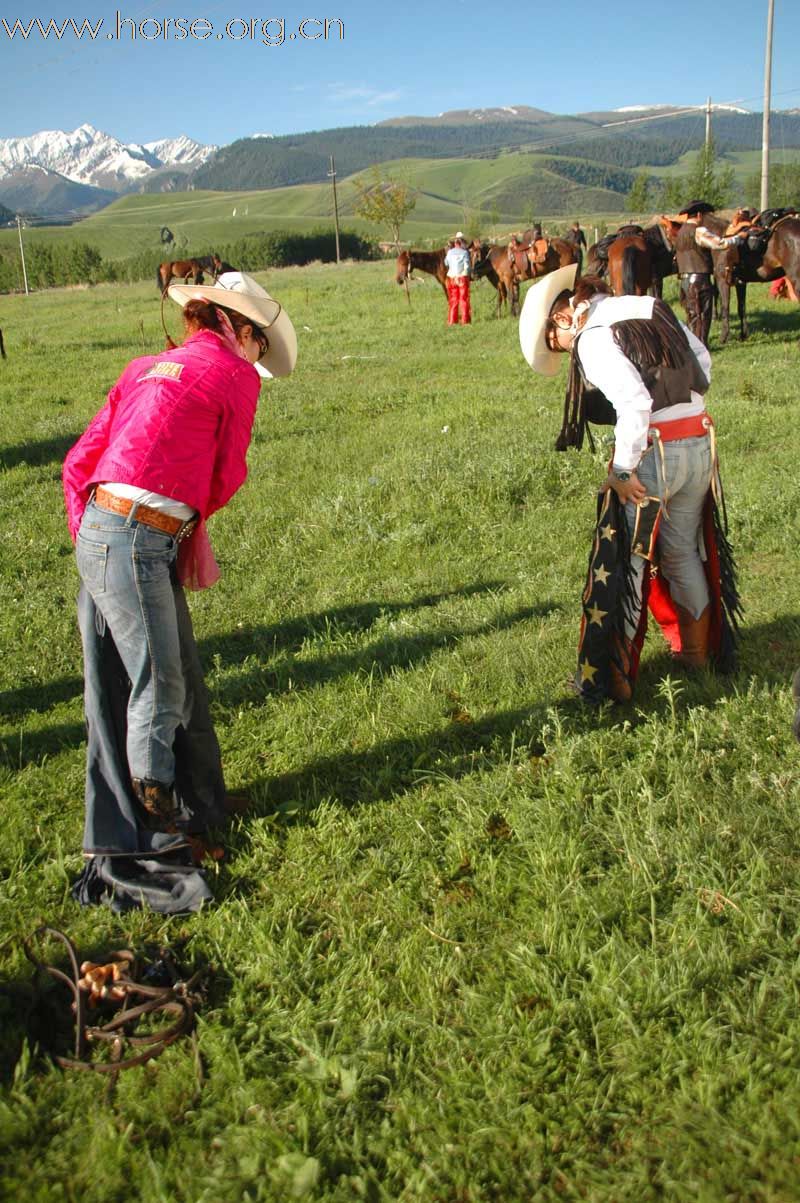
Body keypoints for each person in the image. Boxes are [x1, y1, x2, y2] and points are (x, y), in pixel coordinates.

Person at [62, 272, 297, 911]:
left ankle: (194, 803)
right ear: (239, 331)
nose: (258, 359)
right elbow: (227, 471)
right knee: (159, 683)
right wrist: (187, 526)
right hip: (139, 539)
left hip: (113, 531)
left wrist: (95, 545)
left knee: (174, 674)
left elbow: (79, 461)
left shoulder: (145, 367)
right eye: (259, 343)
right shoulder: (236, 377)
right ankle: (157, 834)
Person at [519, 264, 740, 704]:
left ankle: (615, 679)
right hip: (699, 444)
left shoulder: (593, 336)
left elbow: (635, 403)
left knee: (631, 562)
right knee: (681, 550)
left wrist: (621, 471)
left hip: (655, 456)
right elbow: (704, 364)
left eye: (554, 342)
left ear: (562, 318)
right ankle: (695, 656)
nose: (562, 350)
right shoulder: (648, 306)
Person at [674, 200, 741, 346]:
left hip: (685, 280)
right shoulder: (698, 231)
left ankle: (692, 346)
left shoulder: (680, 233)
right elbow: (720, 243)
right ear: (699, 215)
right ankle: (700, 348)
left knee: (692, 315)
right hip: (699, 280)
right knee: (703, 315)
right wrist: (738, 238)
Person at [443, 231, 472, 325]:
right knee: (463, 300)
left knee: (453, 300)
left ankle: (452, 321)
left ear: (455, 243)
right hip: (462, 278)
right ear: (461, 242)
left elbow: (446, 263)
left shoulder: (450, 252)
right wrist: (467, 275)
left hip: (452, 279)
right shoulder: (465, 252)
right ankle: (465, 321)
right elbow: (467, 266)